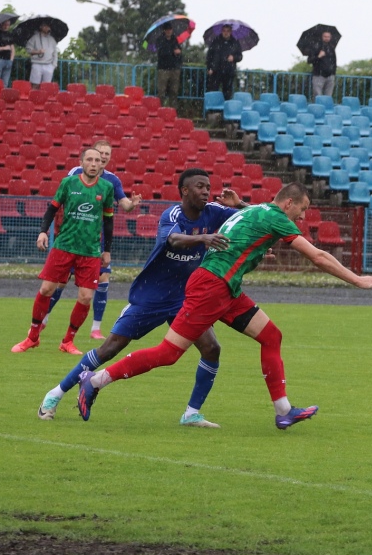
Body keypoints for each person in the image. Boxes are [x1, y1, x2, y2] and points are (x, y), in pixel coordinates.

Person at [76, 182, 372, 426]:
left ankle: (283, 412)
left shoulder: (258, 211)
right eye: (303, 210)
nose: (303, 218)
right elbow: (318, 257)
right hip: (212, 286)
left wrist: (239, 203)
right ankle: (96, 381)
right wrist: (358, 279)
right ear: (289, 203)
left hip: (226, 288)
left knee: (271, 336)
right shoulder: (275, 216)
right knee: (168, 354)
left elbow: (252, 217)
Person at [39, 169, 246, 427]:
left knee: (212, 348)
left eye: (208, 186)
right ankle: (54, 395)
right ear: (184, 190)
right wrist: (203, 238)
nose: (206, 191)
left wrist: (239, 205)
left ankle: (192, 413)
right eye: (200, 186)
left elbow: (252, 218)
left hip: (185, 299)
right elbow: (174, 240)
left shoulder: (214, 211)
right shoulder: (172, 214)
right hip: (152, 296)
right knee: (110, 348)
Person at [11, 148, 115, 354]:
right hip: (64, 246)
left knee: (86, 297)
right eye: (90, 160)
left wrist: (107, 250)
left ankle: (68, 341)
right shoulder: (69, 183)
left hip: (90, 251)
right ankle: (32, 337)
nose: (95, 163)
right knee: (47, 290)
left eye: (98, 160)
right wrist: (42, 232)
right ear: (82, 162)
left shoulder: (107, 187)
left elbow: (109, 220)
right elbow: (52, 208)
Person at [206, 24, 242, 100]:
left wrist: (234, 57)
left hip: (229, 71)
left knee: (227, 93)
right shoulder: (215, 41)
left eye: (228, 31)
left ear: (231, 32)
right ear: (221, 31)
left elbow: (240, 56)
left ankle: (226, 110)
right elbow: (209, 56)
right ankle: (212, 110)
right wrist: (209, 67)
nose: (226, 33)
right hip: (216, 71)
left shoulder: (235, 43)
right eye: (224, 31)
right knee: (213, 92)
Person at [155, 22, 183, 109]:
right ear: (164, 30)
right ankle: (159, 109)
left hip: (174, 68)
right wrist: (172, 52)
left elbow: (179, 53)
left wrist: (178, 53)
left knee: (174, 91)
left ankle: (173, 110)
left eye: (170, 29)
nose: (169, 31)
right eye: (167, 29)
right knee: (161, 91)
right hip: (163, 69)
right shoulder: (160, 40)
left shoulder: (175, 39)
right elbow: (162, 53)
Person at [26, 22, 58, 88]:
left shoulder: (52, 39)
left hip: (49, 65)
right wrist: (38, 52)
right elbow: (28, 50)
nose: (47, 28)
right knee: (35, 85)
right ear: (41, 27)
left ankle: (43, 98)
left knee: (46, 86)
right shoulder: (34, 38)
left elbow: (55, 53)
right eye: (45, 26)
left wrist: (53, 65)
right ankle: (34, 98)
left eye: (48, 26)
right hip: (37, 64)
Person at [309, 30, 337, 98]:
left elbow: (334, 61)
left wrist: (333, 72)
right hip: (319, 75)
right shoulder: (315, 47)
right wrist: (318, 56)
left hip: (330, 76)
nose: (326, 38)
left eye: (328, 37)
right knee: (318, 96)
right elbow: (309, 60)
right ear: (321, 37)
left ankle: (326, 108)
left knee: (328, 97)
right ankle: (318, 108)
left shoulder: (331, 48)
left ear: (330, 38)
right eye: (325, 36)